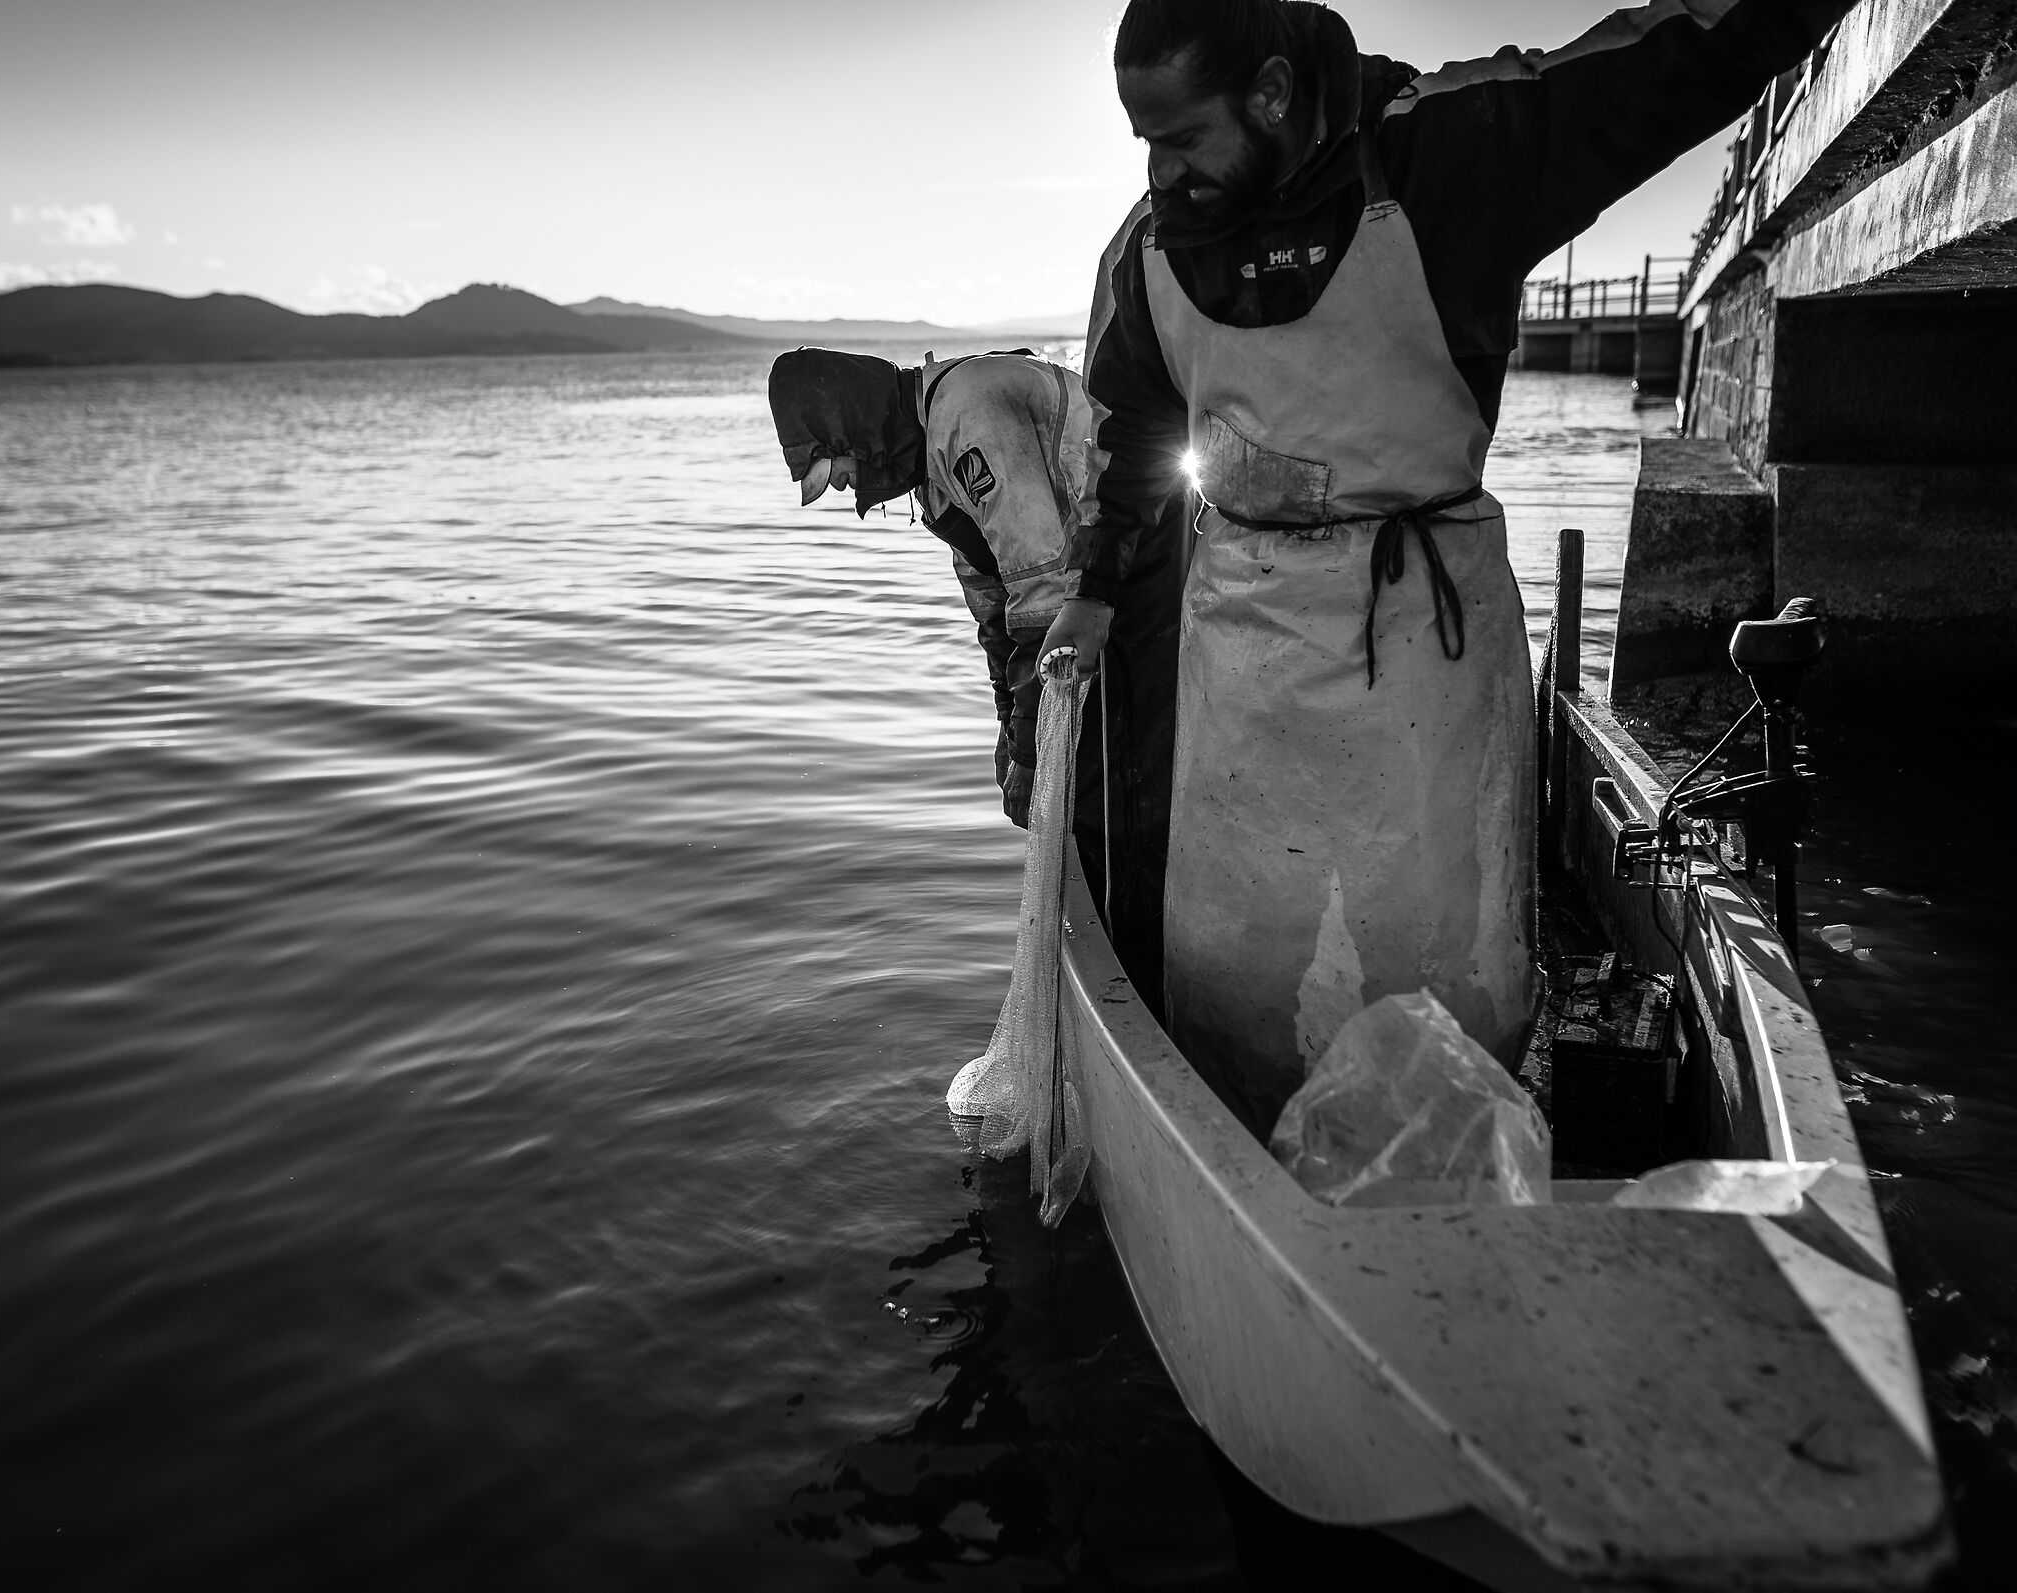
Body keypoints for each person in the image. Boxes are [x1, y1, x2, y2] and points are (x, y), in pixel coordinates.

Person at [1047, 0, 1858, 1135]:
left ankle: (1460, 1149)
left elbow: (1678, 57)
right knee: (1241, 980)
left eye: (1182, 138)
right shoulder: (1145, 256)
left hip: (1425, 639)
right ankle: (1240, 1142)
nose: (1161, 172)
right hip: (1242, 657)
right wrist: (1091, 589)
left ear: (1273, 94)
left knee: (1441, 986)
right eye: (1144, 142)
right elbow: (1133, 437)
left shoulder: (1449, 155)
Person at [768, 348, 1184, 1008]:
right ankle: (1116, 955)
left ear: (853, 431)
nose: (845, 488)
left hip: (1139, 560)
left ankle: (1147, 985)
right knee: (1078, 784)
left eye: (836, 469)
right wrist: (1006, 722)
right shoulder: (932, 464)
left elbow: (1045, 591)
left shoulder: (966, 418)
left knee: (1115, 780)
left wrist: (1030, 749)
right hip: (1080, 591)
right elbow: (995, 605)